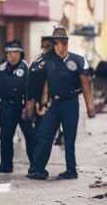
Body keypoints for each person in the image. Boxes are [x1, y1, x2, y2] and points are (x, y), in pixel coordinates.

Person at [27, 26, 96, 181]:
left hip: (71, 103)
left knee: (69, 138)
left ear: (67, 42)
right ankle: (38, 169)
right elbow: (43, 84)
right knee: (45, 135)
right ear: (54, 44)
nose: (61, 46)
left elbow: (85, 84)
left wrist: (90, 106)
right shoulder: (46, 60)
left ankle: (71, 170)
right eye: (57, 43)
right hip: (53, 104)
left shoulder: (78, 60)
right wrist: (40, 103)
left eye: (64, 42)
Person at [0, 39, 35, 173]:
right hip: (7, 107)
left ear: (20, 54)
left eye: (15, 52)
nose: (12, 56)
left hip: (24, 106)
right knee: (5, 137)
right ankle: (6, 165)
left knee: (30, 137)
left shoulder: (27, 69)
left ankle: (35, 165)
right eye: (9, 53)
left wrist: (29, 107)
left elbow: (32, 91)